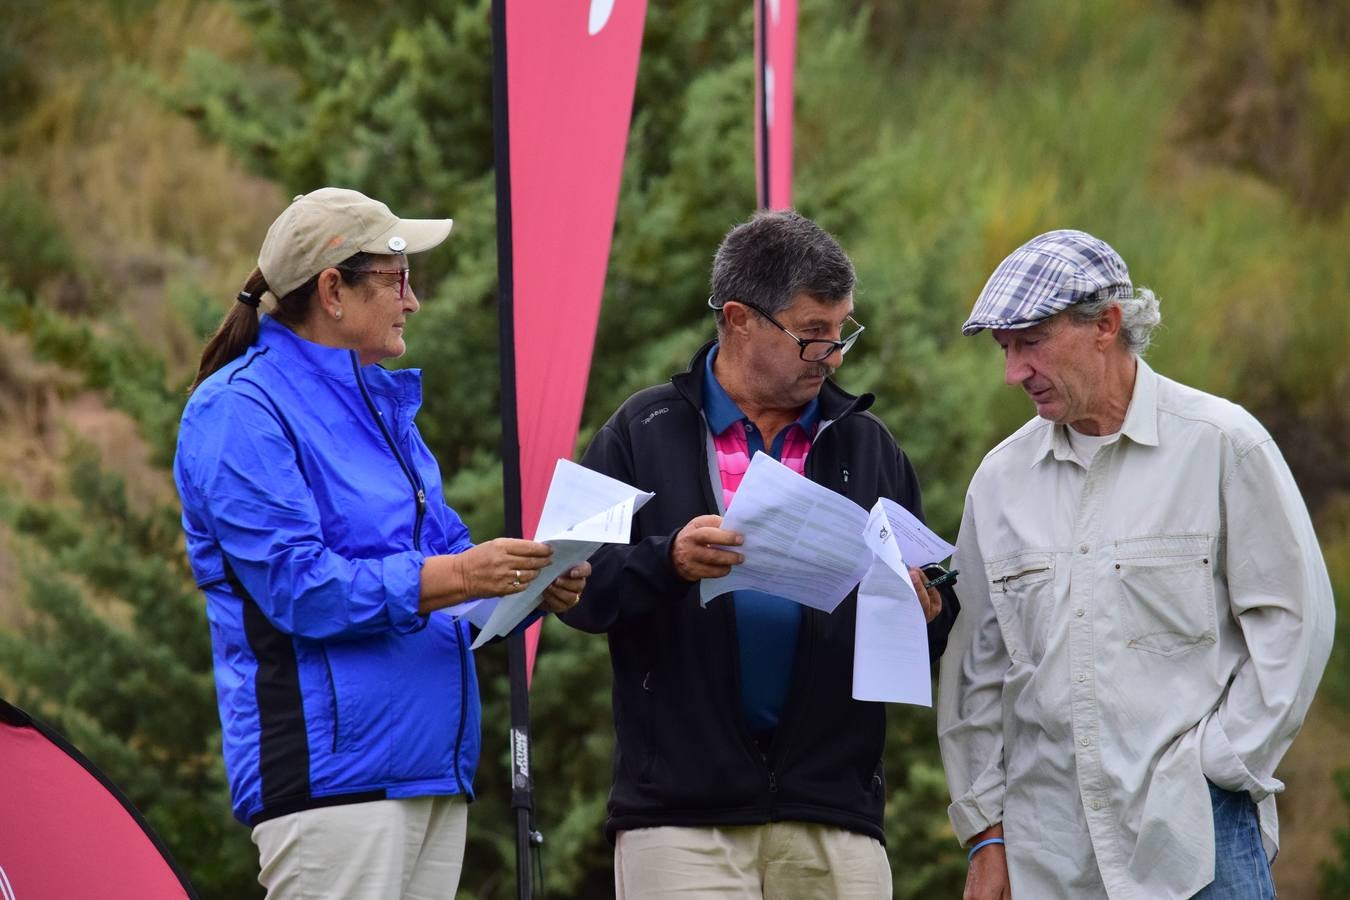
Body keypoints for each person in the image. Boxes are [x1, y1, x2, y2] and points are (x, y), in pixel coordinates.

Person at [173, 187, 589, 899]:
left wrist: (527, 584)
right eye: (397, 278)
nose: (413, 299)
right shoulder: (239, 410)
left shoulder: (380, 404)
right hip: (333, 785)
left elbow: (447, 570)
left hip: (428, 774)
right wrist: (463, 575)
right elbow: (301, 588)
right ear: (332, 289)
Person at [560, 210, 959, 898]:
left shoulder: (869, 445)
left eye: (842, 334)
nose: (832, 357)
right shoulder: (638, 428)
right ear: (740, 318)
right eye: (812, 336)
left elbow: (934, 623)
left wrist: (927, 609)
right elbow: (573, 590)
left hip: (834, 813)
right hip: (680, 819)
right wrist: (669, 561)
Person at [937, 229, 1335, 900]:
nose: (1013, 372)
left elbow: (1296, 620)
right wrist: (987, 834)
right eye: (1006, 350)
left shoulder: (1222, 445)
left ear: (1106, 325)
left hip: (1196, 839)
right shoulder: (1000, 481)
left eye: (1031, 342)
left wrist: (1222, 761)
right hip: (1048, 857)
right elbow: (978, 673)